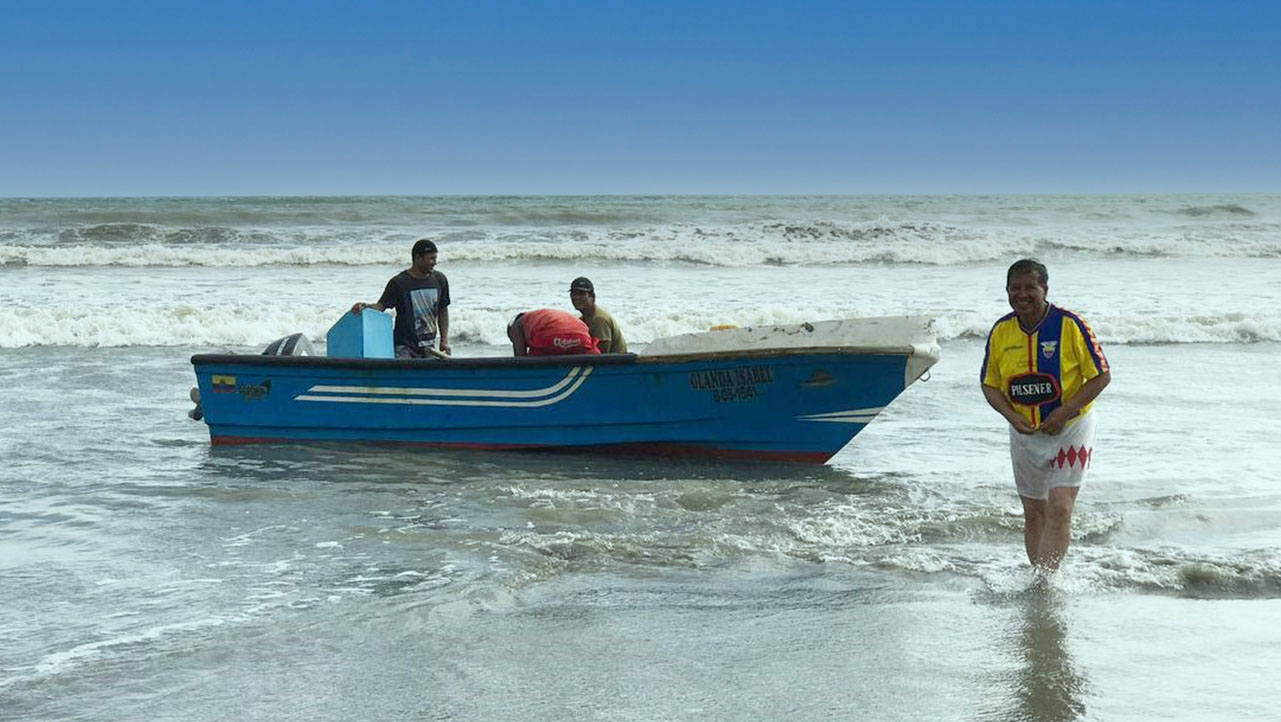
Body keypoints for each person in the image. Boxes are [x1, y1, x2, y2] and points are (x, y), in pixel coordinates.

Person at [981, 258, 1111, 572]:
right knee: (1034, 512)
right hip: (1024, 433)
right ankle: (1040, 576)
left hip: (1071, 428)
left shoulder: (1070, 325)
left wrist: (1065, 412)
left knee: (1061, 508)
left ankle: (1048, 582)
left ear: (1045, 290)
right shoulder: (1001, 331)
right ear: (1007, 291)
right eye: (1015, 288)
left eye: (1030, 287)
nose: (1022, 294)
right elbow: (989, 385)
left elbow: (1101, 376)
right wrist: (1012, 417)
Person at [351, 239, 451, 358]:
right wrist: (365, 306)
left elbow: (443, 310)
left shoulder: (440, 280)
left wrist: (444, 341)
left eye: (435, 258)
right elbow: (380, 306)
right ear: (418, 258)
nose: (434, 262)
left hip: (429, 347)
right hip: (404, 346)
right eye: (431, 259)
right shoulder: (399, 283)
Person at [568, 276, 628, 353]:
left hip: (617, 363)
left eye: (582, 294)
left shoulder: (599, 319)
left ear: (592, 296)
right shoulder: (583, 319)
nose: (577, 297)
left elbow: (602, 355)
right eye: (574, 294)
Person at [507, 309, 600, 357]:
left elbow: (520, 360)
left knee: (532, 361)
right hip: (581, 334)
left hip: (550, 336)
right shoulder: (540, 315)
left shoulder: (516, 325)